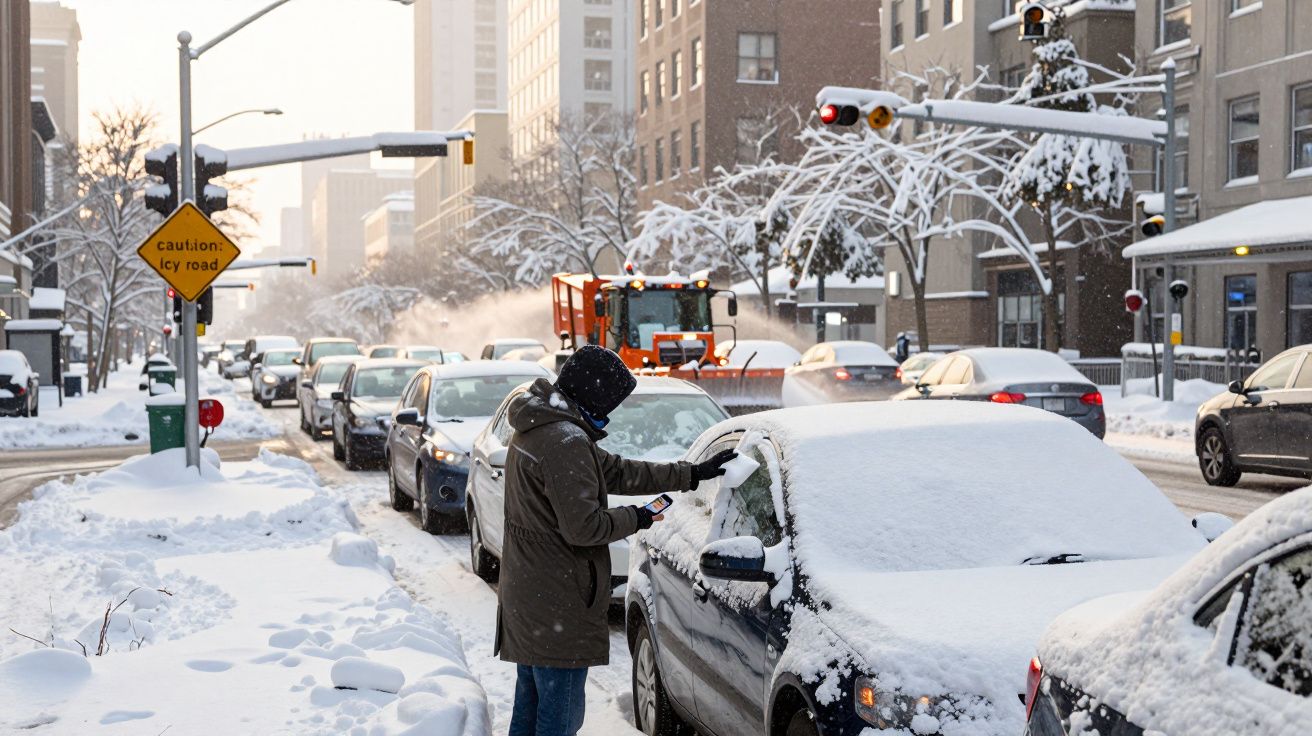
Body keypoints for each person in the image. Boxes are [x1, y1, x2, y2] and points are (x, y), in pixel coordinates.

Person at [496, 345, 735, 736]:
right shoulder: (565, 441)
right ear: (594, 395)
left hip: (532, 597)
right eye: (611, 401)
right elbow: (584, 528)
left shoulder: (542, 426)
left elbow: (616, 471)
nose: (612, 411)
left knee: (531, 708)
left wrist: (691, 474)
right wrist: (639, 517)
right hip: (558, 601)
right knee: (559, 719)